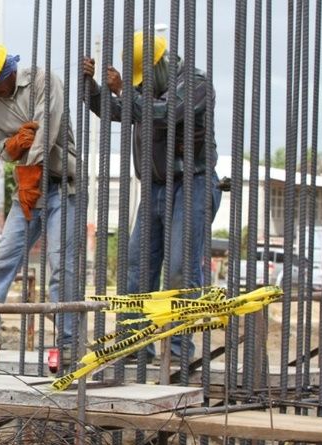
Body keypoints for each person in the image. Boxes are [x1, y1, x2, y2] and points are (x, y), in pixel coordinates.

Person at [83, 31, 222, 363]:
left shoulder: (196, 83)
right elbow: (114, 109)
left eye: (144, 78)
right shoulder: (145, 88)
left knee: (179, 268)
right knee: (136, 267)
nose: (141, 84)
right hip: (155, 188)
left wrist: (124, 90)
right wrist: (92, 88)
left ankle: (177, 352)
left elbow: (166, 113)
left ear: (161, 63)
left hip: (194, 185)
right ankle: (134, 345)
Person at [0, 42, 77, 363]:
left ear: (7, 71)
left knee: (60, 266)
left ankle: (68, 342)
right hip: (25, 190)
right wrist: (12, 144)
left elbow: (45, 133)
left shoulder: (44, 82)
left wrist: (30, 165)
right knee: (2, 262)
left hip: (62, 186)